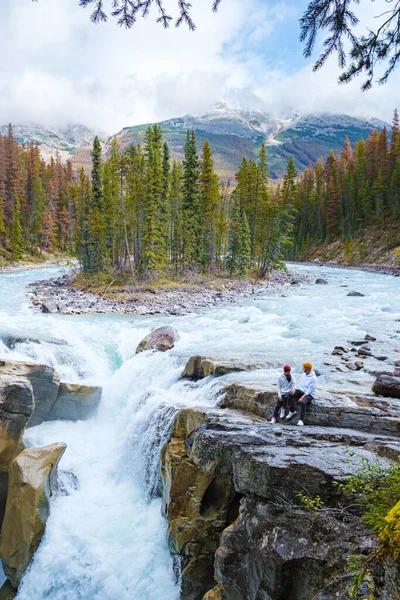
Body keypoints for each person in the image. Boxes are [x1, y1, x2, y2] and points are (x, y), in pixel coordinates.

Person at [286, 361, 317, 426]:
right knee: (290, 394)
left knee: (303, 402)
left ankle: (301, 420)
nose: (302, 369)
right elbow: (299, 384)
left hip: (309, 394)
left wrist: (302, 397)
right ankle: (292, 411)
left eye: (304, 367)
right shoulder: (303, 375)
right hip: (302, 391)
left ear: (308, 369)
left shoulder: (313, 378)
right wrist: (294, 389)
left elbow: (310, 390)